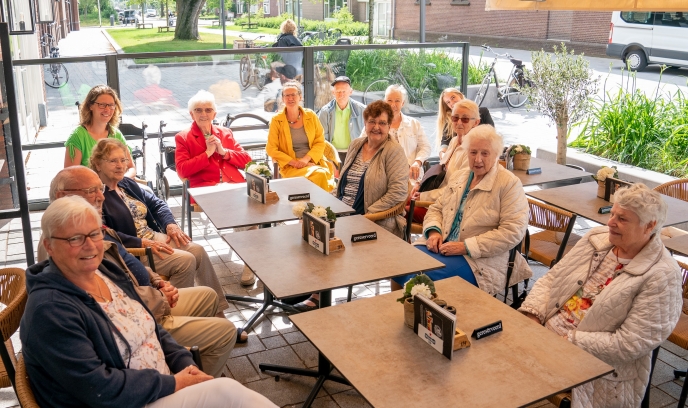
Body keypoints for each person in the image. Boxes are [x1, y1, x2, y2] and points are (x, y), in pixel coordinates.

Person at [21, 195, 278, 408]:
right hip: (125, 402)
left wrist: (186, 367)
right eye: (75, 239)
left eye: (94, 234)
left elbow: (152, 328)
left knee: (224, 392)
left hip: (157, 387)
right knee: (226, 392)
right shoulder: (50, 310)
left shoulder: (104, 271)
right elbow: (99, 389)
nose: (90, 246)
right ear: (49, 246)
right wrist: (174, 383)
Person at [44, 166, 240, 375]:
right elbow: (117, 306)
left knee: (207, 293)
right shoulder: (70, 253)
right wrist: (160, 297)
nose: (101, 196)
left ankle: (198, 363)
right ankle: (200, 381)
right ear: (62, 196)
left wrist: (157, 281)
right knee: (224, 332)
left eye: (99, 188)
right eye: (91, 190)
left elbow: (126, 260)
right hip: (143, 315)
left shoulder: (94, 226)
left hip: (146, 303)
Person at [519, 184, 682, 408]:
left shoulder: (663, 275)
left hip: (593, 364)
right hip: (545, 338)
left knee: (506, 380)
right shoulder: (596, 239)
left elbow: (630, 343)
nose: (610, 223)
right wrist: (533, 316)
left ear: (649, 226)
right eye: (612, 213)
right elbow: (552, 278)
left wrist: (567, 342)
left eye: (622, 219)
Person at [90, 138, 231, 314]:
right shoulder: (95, 194)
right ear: (97, 164)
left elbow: (157, 204)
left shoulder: (126, 184)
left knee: (198, 250)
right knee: (185, 261)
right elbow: (104, 234)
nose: (120, 166)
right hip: (135, 249)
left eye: (123, 160)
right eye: (113, 161)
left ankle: (217, 313)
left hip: (152, 236)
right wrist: (141, 243)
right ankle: (174, 313)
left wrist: (170, 225)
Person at [295, 101, 408, 312]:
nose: (376, 127)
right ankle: (307, 287)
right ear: (364, 123)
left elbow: (399, 193)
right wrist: (324, 205)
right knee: (308, 227)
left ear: (390, 126)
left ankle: (317, 296)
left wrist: (365, 216)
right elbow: (342, 185)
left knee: (324, 237)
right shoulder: (357, 144)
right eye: (372, 121)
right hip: (344, 212)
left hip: (375, 221)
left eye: (382, 123)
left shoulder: (393, 152)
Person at [393, 125, 531, 294]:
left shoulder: (509, 183)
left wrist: (465, 246)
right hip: (443, 243)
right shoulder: (461, 176)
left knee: (421, 277)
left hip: (479, 259)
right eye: (473, 152)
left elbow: (513, 232)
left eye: (485, 153)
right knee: (398, 264)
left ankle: (426, 317)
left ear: (495, 155)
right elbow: (437, 208)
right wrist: (434, 232)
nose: (478, 159)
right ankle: (399, 313)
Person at [408, 99, 481, 223]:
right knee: (396, 202)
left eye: (465, 119)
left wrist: (423, 196)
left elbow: (456, 190)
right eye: (455, 118)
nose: (459, 122)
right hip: (436, 196)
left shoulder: (473, 151)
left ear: (476, 123)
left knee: (399, 212)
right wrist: (420, 184)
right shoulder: (454, 141)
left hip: (450, 208)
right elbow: (440, 170)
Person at [266, 81, 336, 192]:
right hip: (291, 166)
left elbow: (320, 141)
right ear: (283, 99)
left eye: (293, 95)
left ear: (300, 97)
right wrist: (295, 162)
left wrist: (305, 160)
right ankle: (320, 207)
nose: (290, 98)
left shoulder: (311, 115)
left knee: (318, 175)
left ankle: (311, 206)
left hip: (313, 162)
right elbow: (271, 149)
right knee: (320, 175)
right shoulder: (276, 120)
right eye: (287, 95)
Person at [175, 90, 251, 188]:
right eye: (198, 110)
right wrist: (207, 154)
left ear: (214, 115)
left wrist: (224, 152)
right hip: (205, 189)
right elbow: (182, 170)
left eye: (208, 110)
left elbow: (247, 161)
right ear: (192, 115)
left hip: (234, 184)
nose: (203, 114)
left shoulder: (226, 132)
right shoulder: (183, 138)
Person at [64, 85, 136, 179]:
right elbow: (70, 176)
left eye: (111, 105)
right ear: (90, 106)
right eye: (102, 105)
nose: (107, 109)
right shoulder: (77, 137)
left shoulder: (116, 134)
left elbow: (131, 168)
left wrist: (122, 182)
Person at [362, 85, 430, 183]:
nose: (393, 105)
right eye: (389, 100)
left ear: (403, 103)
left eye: (397, 101)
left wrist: (417, 162)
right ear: (384, 102)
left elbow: (425, 147)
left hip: (412, 178)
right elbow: (362, 145)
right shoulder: (374, 125)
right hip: (383, 179)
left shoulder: (414, 124)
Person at [436, 88, 494, 160]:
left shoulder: (483, 112)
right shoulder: (449, 120)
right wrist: (443, 155)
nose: (452, 102)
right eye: (448, 102)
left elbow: (492, 136)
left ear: (460, 95)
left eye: (453, 97)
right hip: (459, 159)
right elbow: (445, 143)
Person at [317, 76, 366, 160]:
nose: (341, 95)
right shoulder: (325, 112)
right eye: (338, 91)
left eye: (344, 91)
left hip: (355, 153)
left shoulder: (362, 110)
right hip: (333, 154)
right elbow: (321, 138)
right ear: (333, 92)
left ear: (350, 92)